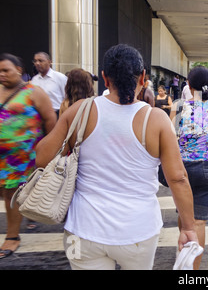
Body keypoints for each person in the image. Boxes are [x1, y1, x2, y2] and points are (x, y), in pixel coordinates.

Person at [35, 44, 198, 270]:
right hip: (139, 233)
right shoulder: (157, 119)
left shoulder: (80, 110)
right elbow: (178, 179)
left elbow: (42, 158)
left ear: (104, 77)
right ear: (143, 77)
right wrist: (188, 228)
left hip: (80, 232)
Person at [170, 66, 208, 270]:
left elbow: (170, 137)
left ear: (188, 84)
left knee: (184, 214)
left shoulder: (178, 106)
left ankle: (183, 252)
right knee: (199, 222)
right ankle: (192, 271)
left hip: (182, 168)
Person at [0, 53, 56, 259]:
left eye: (6, 70)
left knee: (11, 194)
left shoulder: (34, 92)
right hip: (2, 157)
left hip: (23, 157)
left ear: (19, 70)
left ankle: (12, 236)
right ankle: (28, 212)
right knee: (11, 194)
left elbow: (51, 121)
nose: (2, 74)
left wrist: (48, 149)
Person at [30, 52, 67, 118]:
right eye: (35, 61)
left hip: (57, 115)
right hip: (38, 116)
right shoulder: (34, 80)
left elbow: (67, 98)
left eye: (40, 61)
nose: (37, 63)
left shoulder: (60, 77)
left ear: (49, 62)